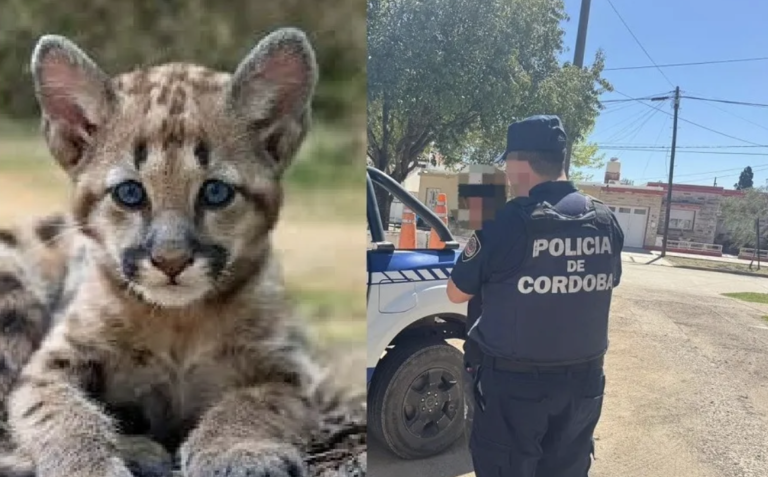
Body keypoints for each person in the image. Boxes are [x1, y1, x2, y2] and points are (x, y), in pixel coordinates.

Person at [446, 115, 624, 477]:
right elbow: (606, 281)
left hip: (515, 389)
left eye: (508, 164)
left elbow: (456, 292)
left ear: (519, 163)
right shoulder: (606, 221)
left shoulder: (504, 222)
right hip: (584, 386)